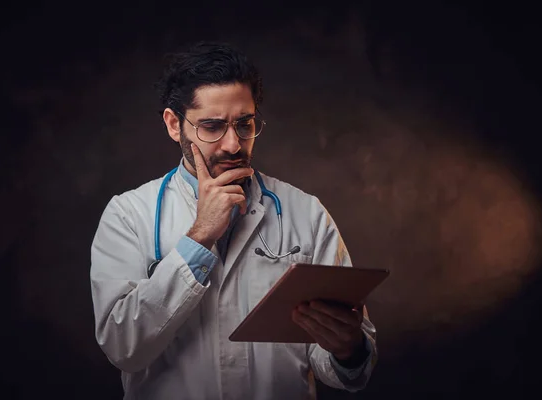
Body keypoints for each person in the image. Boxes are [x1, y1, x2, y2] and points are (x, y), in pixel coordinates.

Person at [90, 41, 378, 400]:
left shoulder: (307, 213)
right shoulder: (129, 214)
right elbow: (122, 348)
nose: (232, 144)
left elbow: (344, 367)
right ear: (173, 125)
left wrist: (348, 349)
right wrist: (198, 238)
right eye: (212, 126)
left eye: (245, 124)